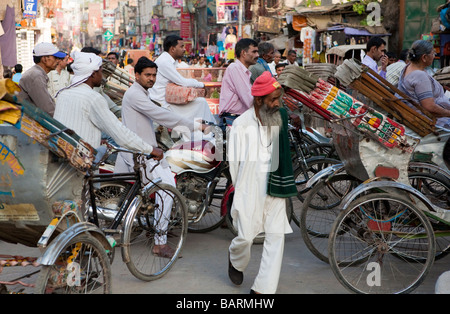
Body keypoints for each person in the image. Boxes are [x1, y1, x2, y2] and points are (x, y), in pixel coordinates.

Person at [115, 57, 208, 257]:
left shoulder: (141, 93)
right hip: (141, 155)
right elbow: (160, 115)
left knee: (164, 189)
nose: (152, 79)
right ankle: (159, 242)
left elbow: (159, 113)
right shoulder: (135, 94)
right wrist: (196, 125)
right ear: (136, 75)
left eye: (154, 75)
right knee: (167, 191)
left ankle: (161, 224)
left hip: (143, 150)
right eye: (147, 75)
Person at [227, 71, 296, 294]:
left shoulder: (279, 118)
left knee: (276, 237)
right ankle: (236, 259)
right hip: (250, 187)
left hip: (276, 184)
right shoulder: (241, 124)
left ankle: (262, 290)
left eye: (279, 99)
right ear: (259, 100)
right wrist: (240, 190)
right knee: (245, 236)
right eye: (273, 100)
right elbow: (234, 163)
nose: (278, 104)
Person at [54, 51, 163, 161]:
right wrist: (150, 149)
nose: (102, 76)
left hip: (62, 155)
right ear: (93, 74)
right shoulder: (93, 98)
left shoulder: (63, 94)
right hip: (82, 162)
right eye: (101, 71)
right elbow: (119, 133)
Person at [149, 35, 215, 124]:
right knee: (201, 103)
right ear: (172, 49)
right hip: (163, 104)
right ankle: (206, 131)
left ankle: (205, 130)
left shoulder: (169, 60)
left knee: (200, 102)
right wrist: (201, 85)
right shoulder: (164, 61)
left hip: (169, 100)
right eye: (181, 46)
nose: (184, 49)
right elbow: (182, 82)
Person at [397, 40, 450, 130]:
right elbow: (430, 107)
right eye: (433, 53)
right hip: (433, 122)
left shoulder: (408, 67)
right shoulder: (419, 75)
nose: (434, 56)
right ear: (424, 57)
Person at [18, 42, 67, 117]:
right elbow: (47, 109)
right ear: (45, 59)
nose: (58, 60)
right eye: (55, 57)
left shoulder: (37, 73)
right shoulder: (36, 76)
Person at [218, 38, 259, 123]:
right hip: (232, 119)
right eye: (254, 52)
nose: (257, 55)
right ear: (243, 53)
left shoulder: (245, 71)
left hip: (239, 118)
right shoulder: (235, 68)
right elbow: (249, 99)